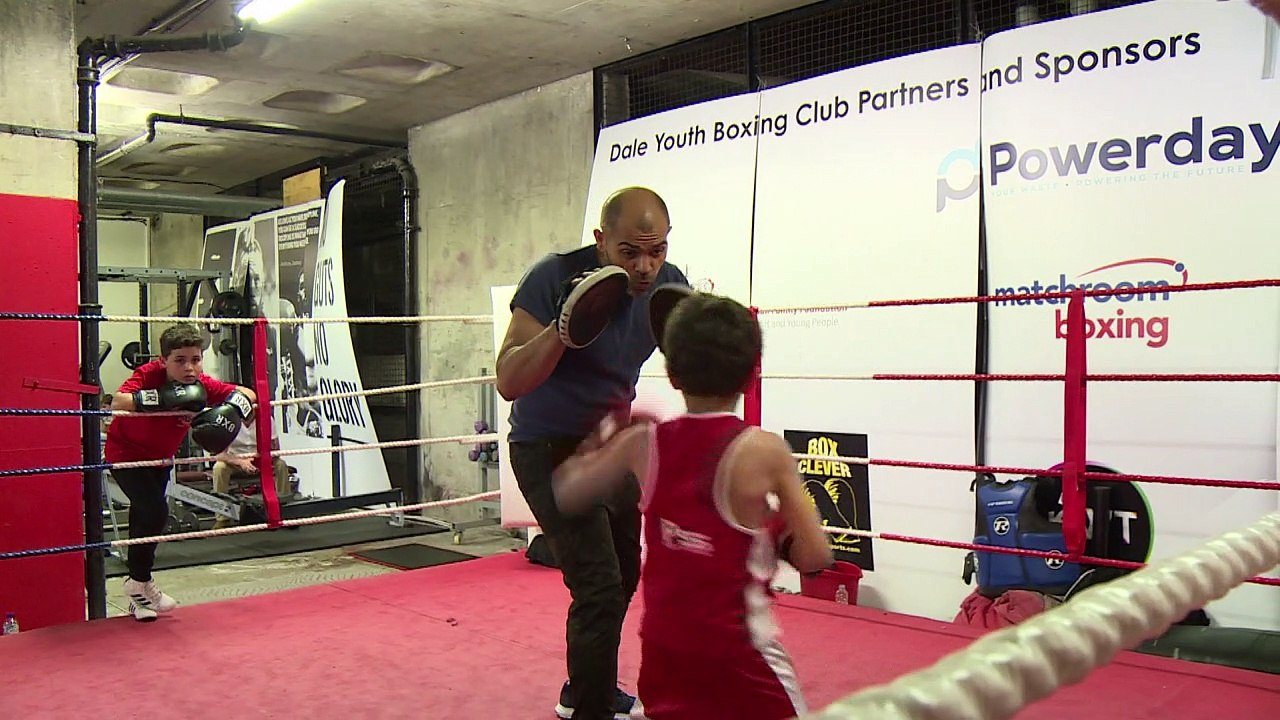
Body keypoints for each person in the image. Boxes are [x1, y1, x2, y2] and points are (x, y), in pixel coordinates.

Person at [550, 291, 834, 720]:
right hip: (739, 653)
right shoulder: (764, 450)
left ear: (672, 374)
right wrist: (774, 531)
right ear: (752, 375)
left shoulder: (643, 443)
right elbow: (816, 556)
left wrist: (599, 442)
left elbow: (566, 492)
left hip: (664, 654)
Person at [495, 186, 689, 720]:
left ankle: (586, 688)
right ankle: (590, 708)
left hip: (610, 446)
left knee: (624, 573)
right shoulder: (553, 275)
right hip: (547, 447)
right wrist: (562, 329)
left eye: (657, 250)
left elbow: (698, 361)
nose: (645, 266)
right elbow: (509, 381)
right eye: (630, 252)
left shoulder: (668, 286)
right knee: (598, 585)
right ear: (602, 240)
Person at [106, 323, 257, 622]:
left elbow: (247, 393)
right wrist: (162, 398)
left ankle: (138, 589)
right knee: (154, 511)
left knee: (145, 518)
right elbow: (117, 401)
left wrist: (232, 409)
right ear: (164, 360)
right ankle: (140, 581)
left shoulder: (201, 384)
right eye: (180, 360)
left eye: (196, 359)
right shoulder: (148, 374)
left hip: (161, 459)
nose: (189, 367)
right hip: (126, 454)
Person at [210, 421, 293, 530]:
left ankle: (283, 513)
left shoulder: (267, 419)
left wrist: (261, 460)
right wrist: (241, 462)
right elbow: (219, 454)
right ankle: (222, 518)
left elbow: (276, 450)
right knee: (219, 468)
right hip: (236, 462)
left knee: (281, 465)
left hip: (260, 461)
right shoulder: (229, 419)